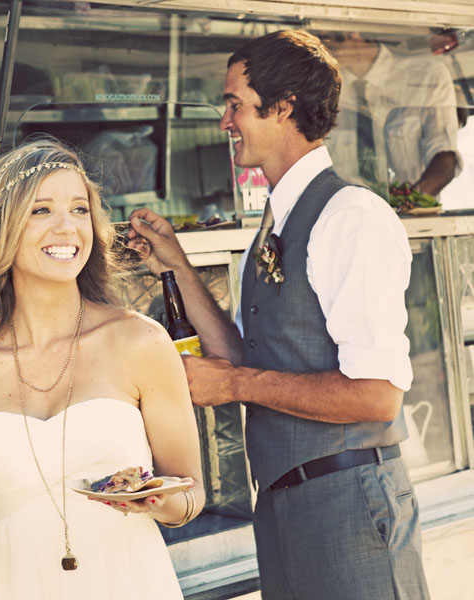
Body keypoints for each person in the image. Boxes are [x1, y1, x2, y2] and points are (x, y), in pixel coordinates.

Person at [128, 30, 431, 599]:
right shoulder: (277, 219)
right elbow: (252, 358)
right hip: (285, 509)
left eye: (235, 103)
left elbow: (377, 394)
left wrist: (233, 382)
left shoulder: (351, 216)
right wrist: (176, 265)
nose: (225, 120)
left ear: (284, 106)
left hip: (348, 506)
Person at [0, 137, 205, 599]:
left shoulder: (141, 341)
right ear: (1, 233)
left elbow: (191, 494)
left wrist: (159, 500)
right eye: (41, 211)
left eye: (78, 209)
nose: (67, 228)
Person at [323, 31, 460, 197]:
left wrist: (408, 202)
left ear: (352, 34)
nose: (321, 48)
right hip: (345, 215)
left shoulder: (426, 76)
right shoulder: (323, 89)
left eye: (324, 38)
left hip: (410, 220)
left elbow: (444, 161)